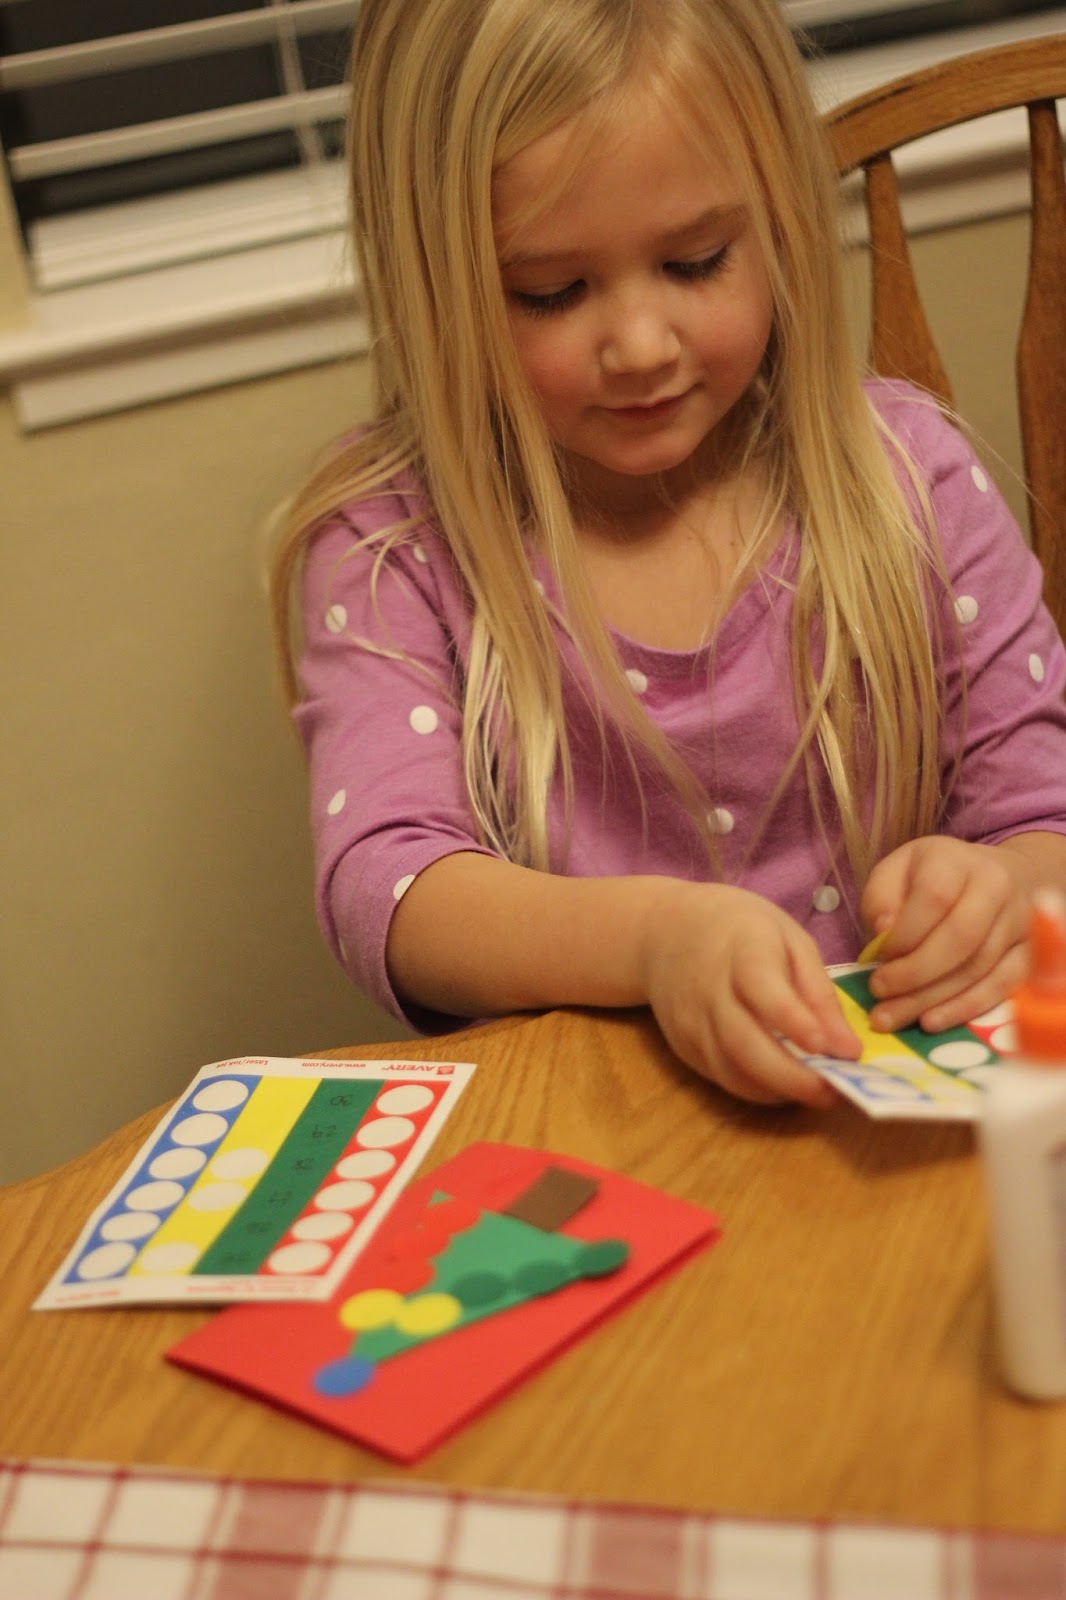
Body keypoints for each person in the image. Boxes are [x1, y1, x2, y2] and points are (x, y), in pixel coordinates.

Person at [271, 0, 1066, 1108]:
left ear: (780, 217)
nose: (640, 346)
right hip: (593, 1148)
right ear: (433, 280)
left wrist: (999, 889)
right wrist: (656, 941)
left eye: (695, 262)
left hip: (891, 1144)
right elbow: (391, 890)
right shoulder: (390, 548)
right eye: (552, 291)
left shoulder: (909, 482)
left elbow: (1046, 820)